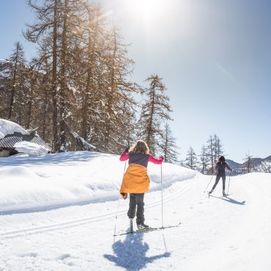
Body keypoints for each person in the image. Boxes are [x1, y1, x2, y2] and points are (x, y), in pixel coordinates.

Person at [119, 140, 164, 230]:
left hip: (130, 182)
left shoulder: (131, 154)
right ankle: (140, 223)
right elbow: (158, 162)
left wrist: (126, 151)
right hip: (140, 183)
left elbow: (121, 159)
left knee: (132, 201)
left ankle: (131, 217)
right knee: (140, 203)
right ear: (145, 148)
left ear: (135, 147)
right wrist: (161, 158)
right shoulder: (147, 156)